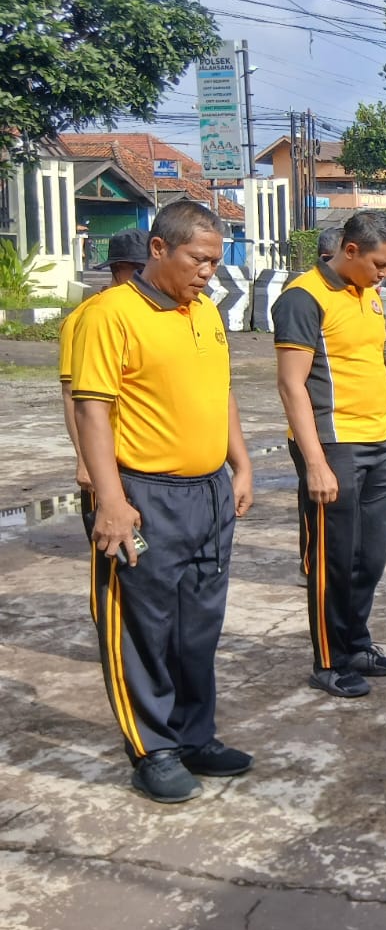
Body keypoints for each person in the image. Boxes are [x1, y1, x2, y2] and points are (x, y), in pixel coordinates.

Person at [72, 202, 255, 804]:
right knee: (142, 630)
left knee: (198, 629)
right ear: (158, 249)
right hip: (144, 495)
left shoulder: (204, 312)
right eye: (198, 259)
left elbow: (221, 393)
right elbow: (91, 411)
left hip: (208, 493)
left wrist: (240, 464)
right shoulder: (112, 315)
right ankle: (153, 749)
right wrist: (110, 500)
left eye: (214, 262)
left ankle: (195, 736)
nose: (208, 272)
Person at [273, 212, 386, 698]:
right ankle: (329, 660)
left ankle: (356, 644)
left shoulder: (368, 295)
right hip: (333, 443)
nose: (384, 275)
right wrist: (315, 462)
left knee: (371, 556)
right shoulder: (303, 298)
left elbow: (373, 369)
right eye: (379, 265)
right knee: (333, 558)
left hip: (376, 440)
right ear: (350, 251)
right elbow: (291, 385)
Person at [60, 228, 149, 527]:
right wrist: (84, 459)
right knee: (115, 542)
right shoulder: (87, 318)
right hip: (106, 457)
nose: (147, 276)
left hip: (143, 460)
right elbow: (72, 395)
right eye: (139, 269)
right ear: (118, 269)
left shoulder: (144, 313)